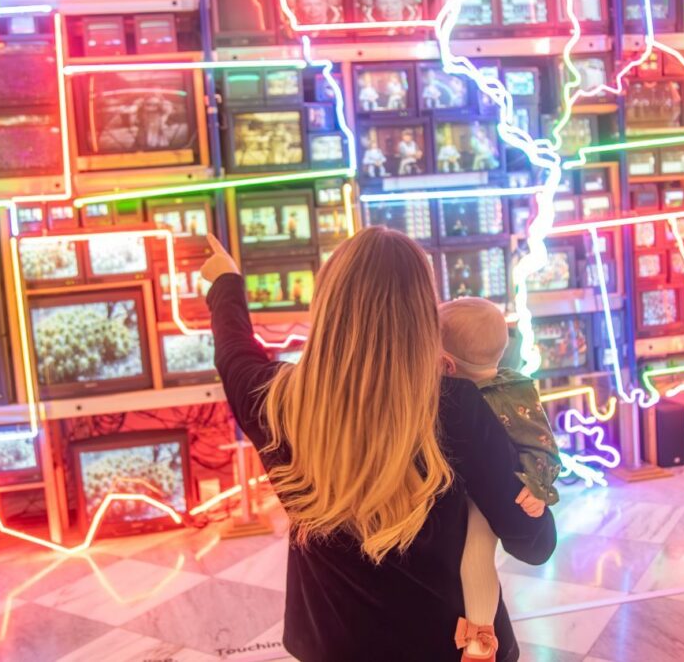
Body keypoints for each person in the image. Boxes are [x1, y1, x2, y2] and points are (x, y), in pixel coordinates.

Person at [201, 227, 556, 661]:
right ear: (422, 315)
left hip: (333, 647)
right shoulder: (456, 406)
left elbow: (233, 352)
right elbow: (534, 545)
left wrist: (226, 283)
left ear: (327, 305)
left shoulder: (276, 403)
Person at [439, 297, 561, 661]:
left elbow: (542, 449)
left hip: (487, 495)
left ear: (445, 364)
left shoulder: (475, 398)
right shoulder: (515, 386)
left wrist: (537, 490)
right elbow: (547, 445)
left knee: (476, 552)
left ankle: (479, 641)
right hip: (485, 489)